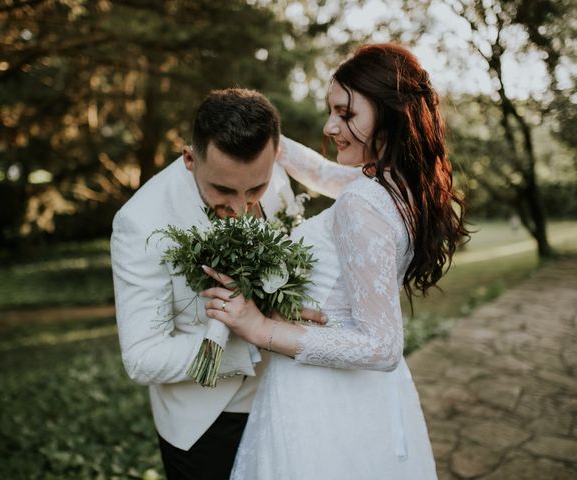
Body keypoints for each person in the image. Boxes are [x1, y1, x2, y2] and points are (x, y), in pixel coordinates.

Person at [201, 43, 469, 479]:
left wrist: (261, 327)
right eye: (332, 111)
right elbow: (326, 176)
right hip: (369, 401)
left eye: (346, 114)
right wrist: (264, 134)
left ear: (389, 111)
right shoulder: (400, 182)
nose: (330, 126)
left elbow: (381, 345)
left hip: (320, 401)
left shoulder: (362, 203)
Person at [110, 88, 313, 480]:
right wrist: (248, 337)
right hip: (208, 423)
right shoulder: (141, 222)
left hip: (288, 396)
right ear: (190, 159)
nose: (240, 209)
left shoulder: (275, 177)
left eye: (255, 189)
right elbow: (142, 356)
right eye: (223, 190)